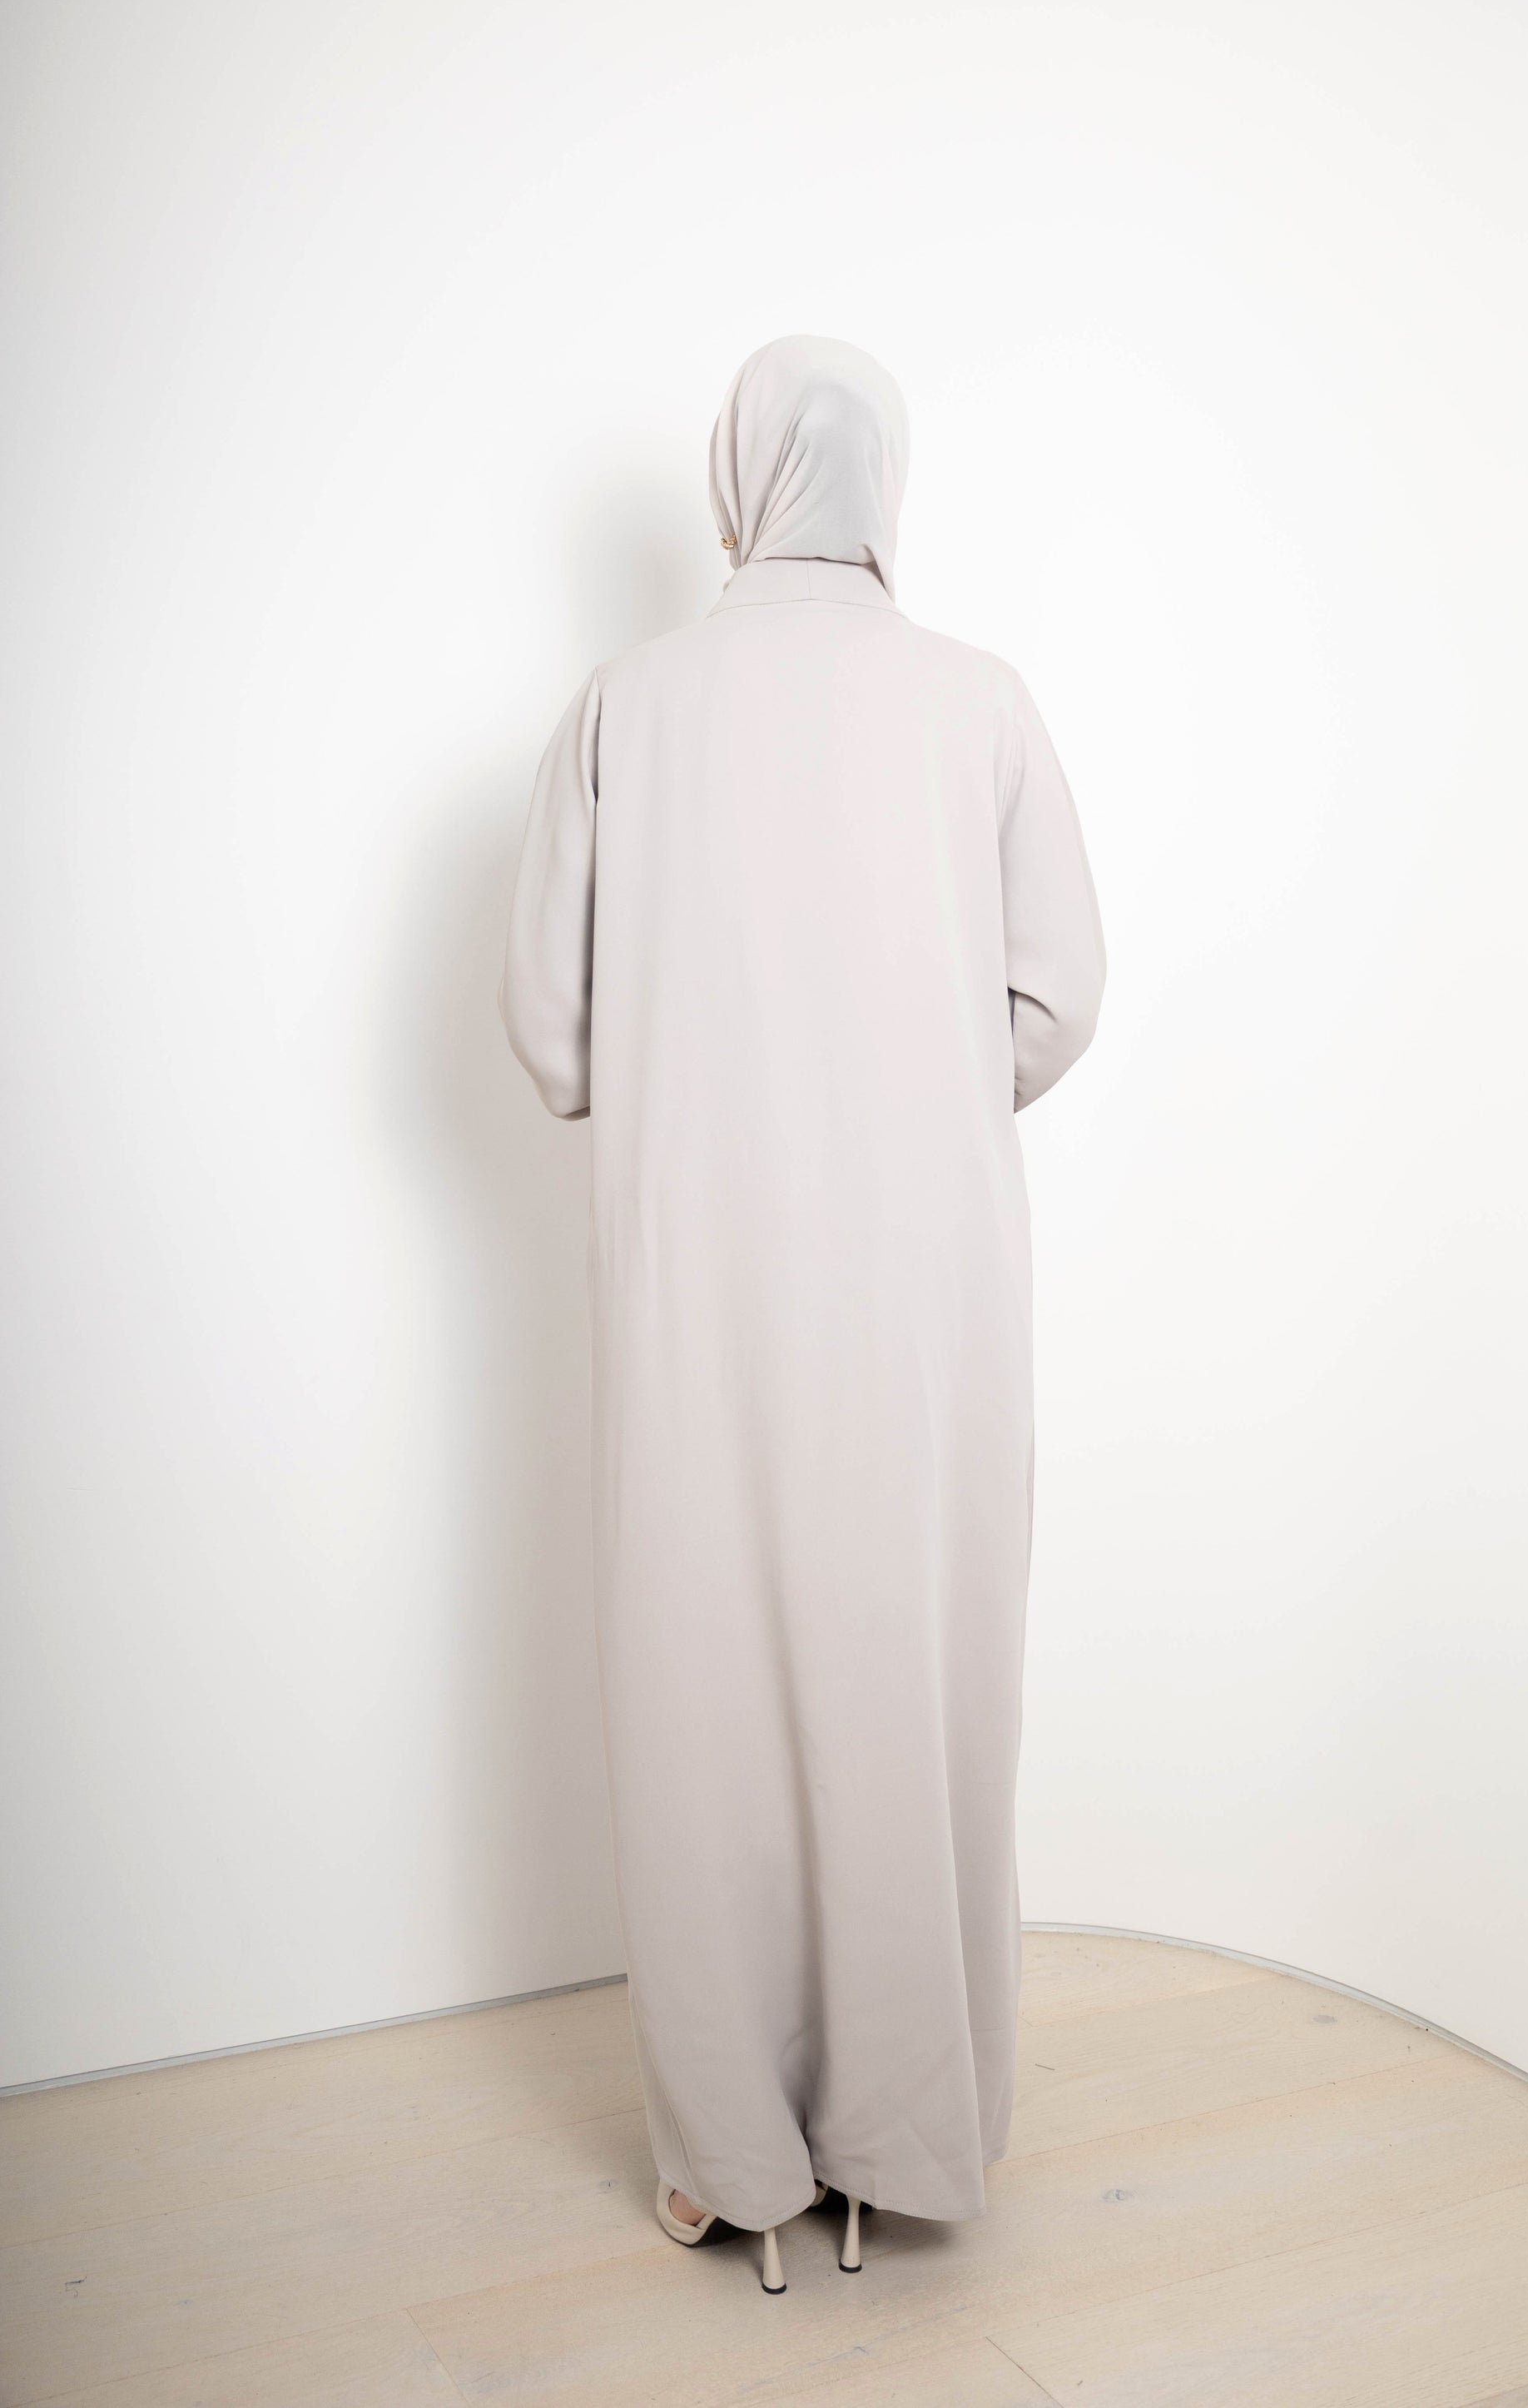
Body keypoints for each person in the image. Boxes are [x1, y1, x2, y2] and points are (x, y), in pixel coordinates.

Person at [500, 335, 1105, 2295]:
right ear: (884, 483)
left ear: (734, 479)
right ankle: (907, 2135)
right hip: (928, 1280)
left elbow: (550, 1034)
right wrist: (910, 1088)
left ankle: (730, 2156)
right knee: (911, 1657)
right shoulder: (978, 700)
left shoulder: (629, 704)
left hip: (704, 1264)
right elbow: (1056, 995)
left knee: (707, 1680)